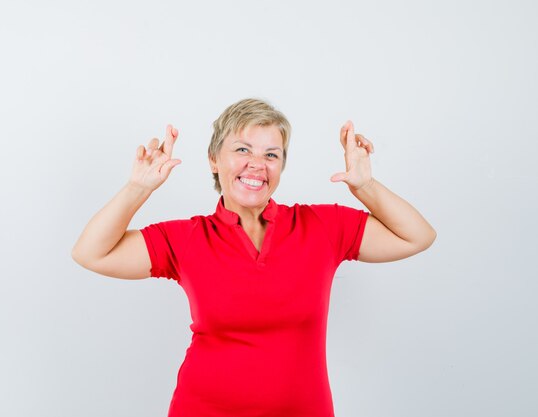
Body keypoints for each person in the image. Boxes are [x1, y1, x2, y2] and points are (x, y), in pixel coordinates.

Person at [71, 98, 436, 416]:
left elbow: (417, 236)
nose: (257, 164)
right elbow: (91, 253)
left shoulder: (322, 226)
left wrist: (364, 186)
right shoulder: (185, 238)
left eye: (271, 154)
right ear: (214, 160)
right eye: (242, 150)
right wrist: (138, 188)